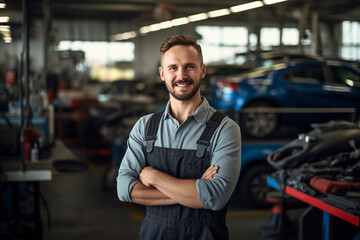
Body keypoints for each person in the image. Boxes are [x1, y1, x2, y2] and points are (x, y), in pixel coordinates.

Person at [117, 34, 241, 240]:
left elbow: (216, 197)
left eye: (190, 66)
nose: (181, 75)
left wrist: (154, 177)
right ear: (162, 74)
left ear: (202, 70)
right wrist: (196, 190)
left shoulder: (225, 129)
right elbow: (124, 190)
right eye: (173, 67)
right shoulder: (145, 127)